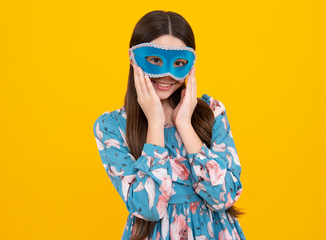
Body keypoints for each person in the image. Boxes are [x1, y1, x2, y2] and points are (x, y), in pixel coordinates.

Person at [93, 10, 246, 240]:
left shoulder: (212, 112)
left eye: (179, 63)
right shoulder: (111, 127)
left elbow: (223, 197)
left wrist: (184, 123)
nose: (166, 73)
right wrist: (155, 122)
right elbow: (148, 208)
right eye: (155, 60)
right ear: (133, 58)